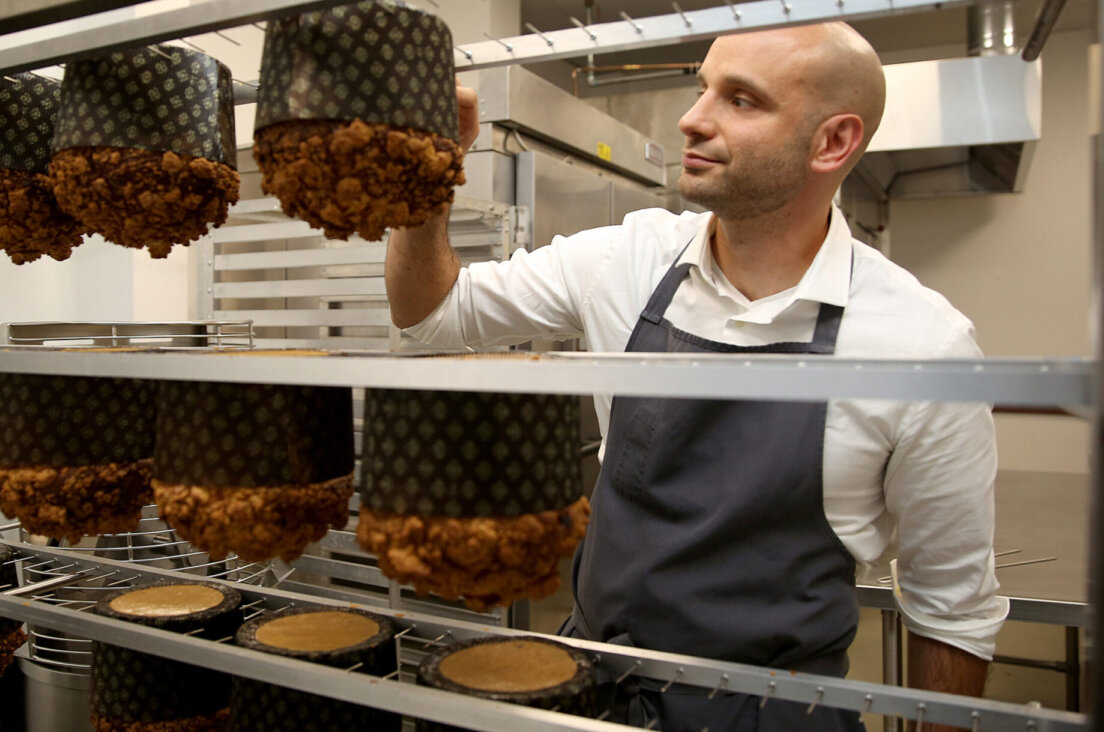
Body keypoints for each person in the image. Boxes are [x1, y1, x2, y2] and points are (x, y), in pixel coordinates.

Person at [385, 21, 1005, 732]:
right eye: (703, 85)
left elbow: (951, 610)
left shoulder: (922, 345)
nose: (692, 117)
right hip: (588, 698)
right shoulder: (627, 260)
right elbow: (429, 315)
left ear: (833, 143)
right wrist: (426, 173)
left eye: (740, 100)